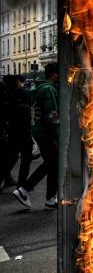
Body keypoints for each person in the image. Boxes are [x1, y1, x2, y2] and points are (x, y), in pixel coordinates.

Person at [12, 63, 60, 209]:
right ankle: (24, 189)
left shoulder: (37, 88)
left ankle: (50, 198)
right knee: (51, 162)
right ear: (54, 74)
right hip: (46, 133)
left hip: (38, 131)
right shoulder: (48, 89)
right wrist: (56, 135)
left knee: (52, 164)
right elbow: (52, 115)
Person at [2, 75, 32, 189]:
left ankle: (7, 179)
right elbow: (27, 109)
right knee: (26, 158)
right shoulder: (21, 93)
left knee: (12, 157)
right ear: (17, 82)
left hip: (11, 131)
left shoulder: (5, 94)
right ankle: (21, 185)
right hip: (23, 130)